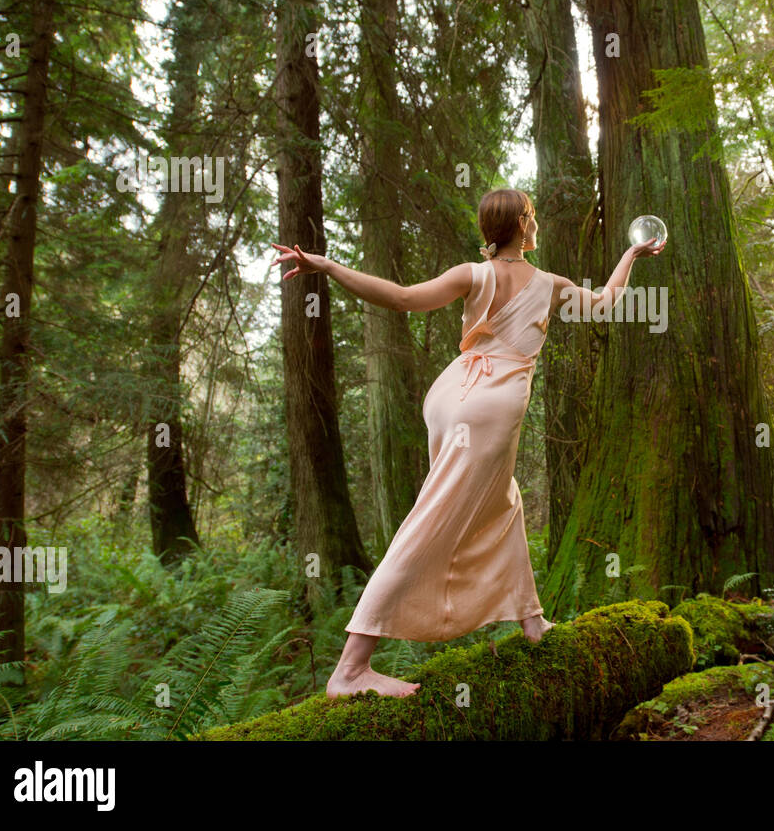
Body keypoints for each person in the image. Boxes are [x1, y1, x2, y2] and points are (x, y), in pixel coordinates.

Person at [271, 187, 667, 698]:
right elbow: (605, 303)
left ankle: (531, 621)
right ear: (523, 224)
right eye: (533, 215)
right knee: (434, 518)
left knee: (505, 504)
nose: (536, 221)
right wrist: (630, 256)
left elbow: (401, 297)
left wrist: (328, 266)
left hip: (451, 396)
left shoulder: (472, 274)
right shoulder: (548, 284)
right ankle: (350, 668)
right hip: (490, 409)